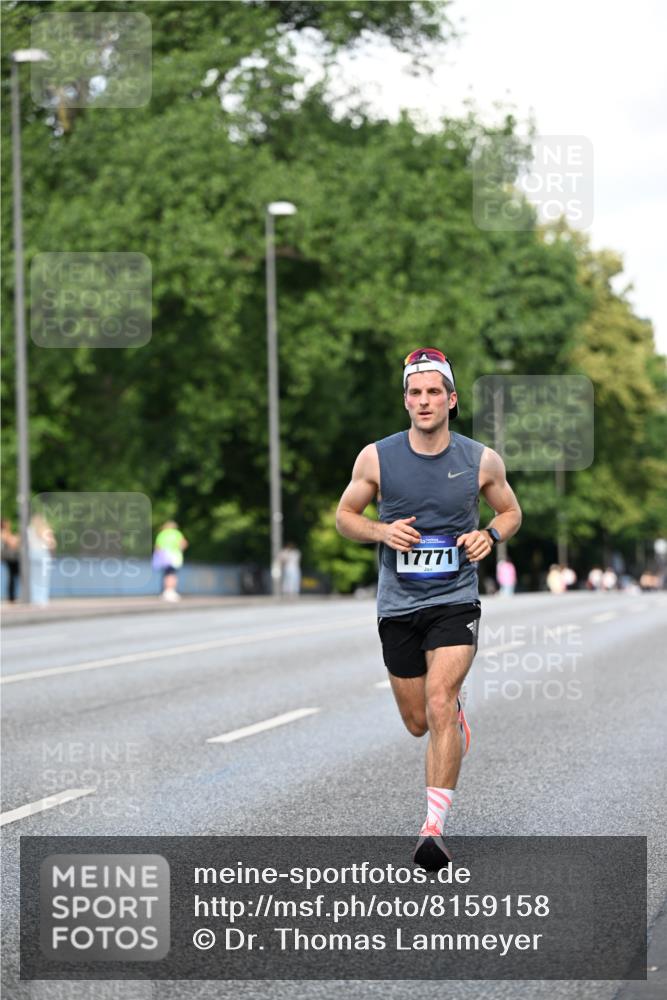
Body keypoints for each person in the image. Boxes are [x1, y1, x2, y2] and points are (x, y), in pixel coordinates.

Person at [336, 347, 522, 869]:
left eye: (433, 392)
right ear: (406, 401)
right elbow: (345, 516)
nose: (424, 401)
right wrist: (381, 529)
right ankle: (451, 721)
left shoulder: (479, 459)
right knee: (418, 720)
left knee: (441, 699)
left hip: (454, 600)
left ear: (451, 399)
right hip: (398, 603)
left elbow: (510, 511)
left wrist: (489, 535)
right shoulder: (376, 457)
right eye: (415, 393)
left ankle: (433, 829)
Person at [153, 520, 188, 602]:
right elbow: (183, 543)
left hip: (164, 556)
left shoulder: (162, 534)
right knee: (172, 574)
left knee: (166, 574)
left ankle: (166, 591)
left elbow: (157, 547)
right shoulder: (176, 533)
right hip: (174, 556)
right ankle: (170, 591)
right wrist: (179, 550)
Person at [28, 512, 56, 606]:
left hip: (32, 554)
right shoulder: (46, 530)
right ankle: (43, 600)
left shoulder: (29, 530)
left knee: (33, 579)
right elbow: (52, 544)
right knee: (44, 579)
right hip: (43, 554)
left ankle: (34, 599)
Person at [1, 519, 20, 602]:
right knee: (12, 577)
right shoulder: (4, 533)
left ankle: (12, 597)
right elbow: (13, 543)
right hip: (10, 558)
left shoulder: (6, 533)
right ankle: (11, 597)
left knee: (12, 577)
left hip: (11, 558)